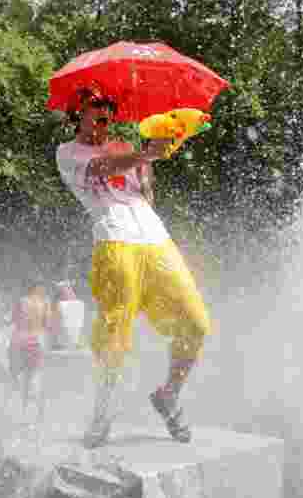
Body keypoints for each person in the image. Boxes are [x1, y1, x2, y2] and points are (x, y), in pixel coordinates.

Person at [55, 84, 213, 448]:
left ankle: (168, 395)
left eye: (110, 104)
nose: (105, 109)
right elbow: (100, 168)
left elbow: (144, 192)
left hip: (156, 239)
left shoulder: (127, 146)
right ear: (78, 111)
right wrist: (144, 156)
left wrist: (155, 155)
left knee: (196, 323)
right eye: (97, 103)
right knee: (115, 334)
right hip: (113, 241)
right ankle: (103, 412)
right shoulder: (67, 152)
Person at [8, 279, 51, 422]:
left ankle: (19, 413)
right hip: (35, 342)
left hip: (19, 341)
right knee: (34, 377)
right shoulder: (44, 303)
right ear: (38, 288)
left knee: (19, 378)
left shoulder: (21, 301)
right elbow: (48, 324)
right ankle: (34, 417)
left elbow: (13, 320)